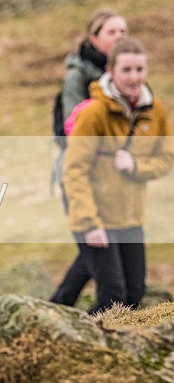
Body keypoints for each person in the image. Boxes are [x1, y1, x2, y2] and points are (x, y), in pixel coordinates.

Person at [61, 36, 172, 314]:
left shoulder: (154, 111)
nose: (134, 77)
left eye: (139, 70)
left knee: (134, 293)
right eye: (126, 70)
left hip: (130, 217)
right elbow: (74, 171)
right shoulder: (94, 113)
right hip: (96, 217)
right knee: (113, 295)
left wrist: (137, 167)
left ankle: (72, 329)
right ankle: (80, 346)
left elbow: (167, 157)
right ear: (111, 71)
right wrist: (89, 223)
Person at [50, 9, 128, 307]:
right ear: (93, 39)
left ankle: (54, 311)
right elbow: (74, 131)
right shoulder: (77, 77)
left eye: (123, 31)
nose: (119, 37)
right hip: (84, 177)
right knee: (108, 272)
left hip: (116, 181)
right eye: (112, 32)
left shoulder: (125, 75)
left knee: (95, 254)